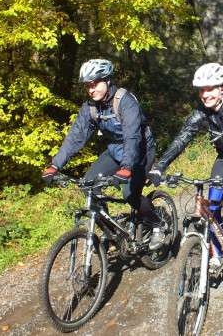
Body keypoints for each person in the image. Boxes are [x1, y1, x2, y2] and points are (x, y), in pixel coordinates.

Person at [148, 62, 223, 271]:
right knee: (210, 209)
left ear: (222, 88)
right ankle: (215, 256)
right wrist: (160, 165)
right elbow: (182, 138)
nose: (205, 95)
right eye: (201, 90)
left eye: (210, 89)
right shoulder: (201, 112)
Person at [42, 59, 164, 249]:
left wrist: (126, 168)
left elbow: (132, 136)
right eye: (88, 86)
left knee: (129, 193)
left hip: (140, 150)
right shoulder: (90, 107)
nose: (91, 89)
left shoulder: (125, 101)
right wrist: (55, 165)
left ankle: (157, 224)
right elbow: (75, 137)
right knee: (88, 184)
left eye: (95, 84)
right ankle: (113, 233)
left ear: (107, 81)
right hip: (115, 150)